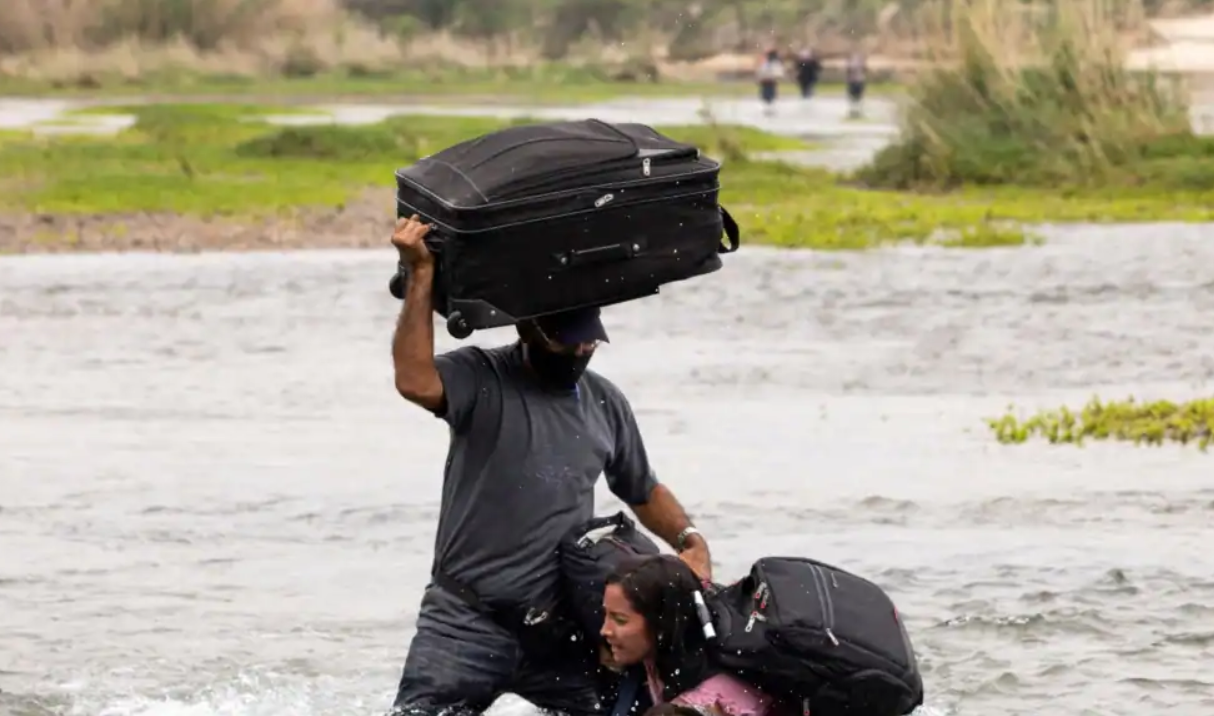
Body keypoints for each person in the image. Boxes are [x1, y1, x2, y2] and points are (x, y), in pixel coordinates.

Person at [388, 214, 714, 716]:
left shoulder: (604, 402)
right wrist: (421, 276)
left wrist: (690, 541)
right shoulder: (482, 377)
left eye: (589, 340)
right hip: (466, 621)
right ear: (528, 327)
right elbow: (414, 379)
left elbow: (643, 490)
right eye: (567, 340)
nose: (580, 350)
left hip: (560, 628)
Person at [601, 555, 784, 716]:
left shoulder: (705, 700)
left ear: (660, 624)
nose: (604, 630)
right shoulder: (679, 638)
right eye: (606, 614)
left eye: (620, 620)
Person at [755, 48, 785, 116]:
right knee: (766, 94)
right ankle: (768, 107)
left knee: (770, 94)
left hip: (771, 81)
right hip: (766, 81)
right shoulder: (766, 63)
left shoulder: (774, 63)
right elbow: (761, 71)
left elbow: (778, 73)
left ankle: (770, 107)